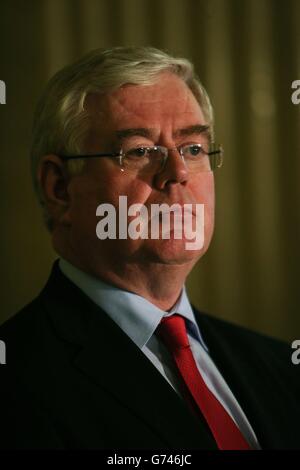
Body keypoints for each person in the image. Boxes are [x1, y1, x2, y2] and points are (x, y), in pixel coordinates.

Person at [0, 46, 299, 450]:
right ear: (60, 188)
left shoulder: (280, 366)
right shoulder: (16, 382)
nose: (177, 173)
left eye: (193, 149)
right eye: (140, 151)